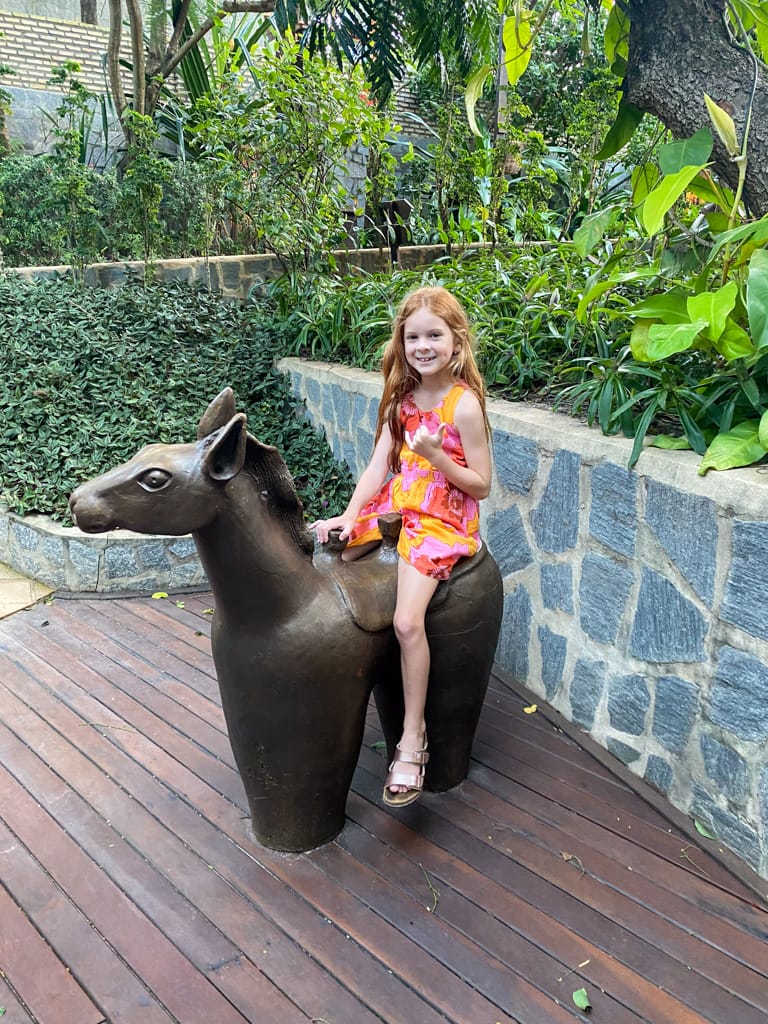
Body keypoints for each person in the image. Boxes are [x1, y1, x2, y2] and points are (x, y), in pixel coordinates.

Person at [310, 286, 492, 806]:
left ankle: (412, 738)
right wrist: (350, 514)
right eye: (414, 336)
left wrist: (438, 457)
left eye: (434, 335)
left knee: (407, 622)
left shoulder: (464, 405)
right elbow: (377, 466)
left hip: (441, 518)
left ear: (455, 342)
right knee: (341, 552)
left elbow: (481, 483)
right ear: (402, 342)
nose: (423, 345)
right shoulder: (400, 400)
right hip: (400, 503)